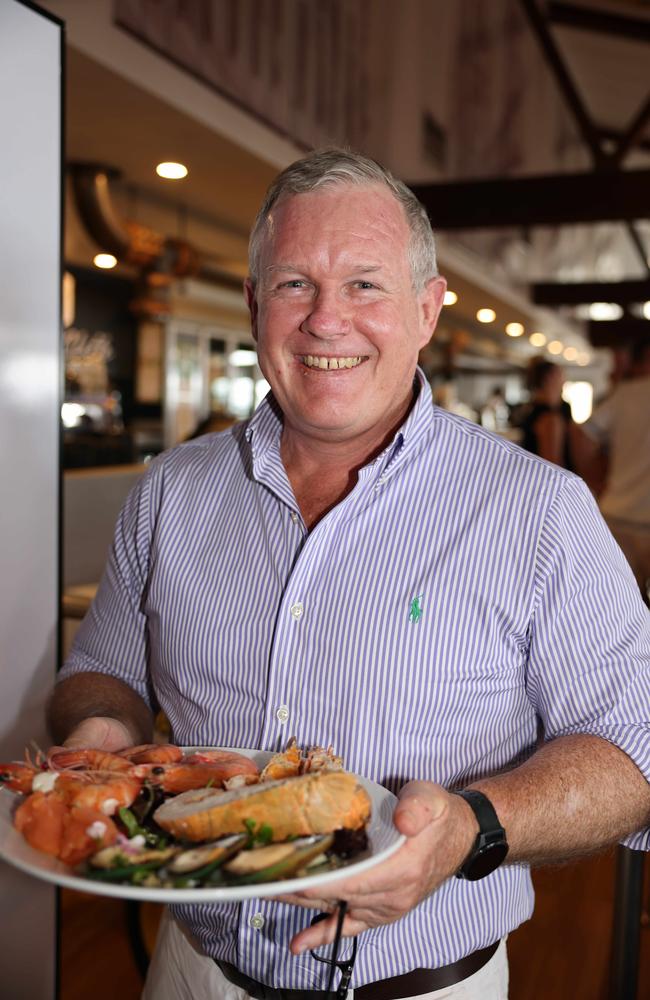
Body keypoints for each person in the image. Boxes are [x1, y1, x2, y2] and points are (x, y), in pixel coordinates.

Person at [47, 149, 650, 1000]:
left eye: (365, 284)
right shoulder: (170, 493)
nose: (327, 321)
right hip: (192, 972)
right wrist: (102, 732)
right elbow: (99, 671)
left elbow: (634, 754)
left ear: (428, 309)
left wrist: (473, 829)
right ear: (256, 305)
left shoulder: (537, 510)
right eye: (295, 283)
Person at [582, 342, 650, 599]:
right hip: (630, 516)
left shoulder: (625, 394)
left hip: (618, 512)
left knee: (620, 607)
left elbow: (584, 435)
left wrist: (595, 477)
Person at [517, 358, 580, 469]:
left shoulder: (533, 409)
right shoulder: (549, 417)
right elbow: (553, 465)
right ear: (549, 378)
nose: (564, 380)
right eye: (561, 375)